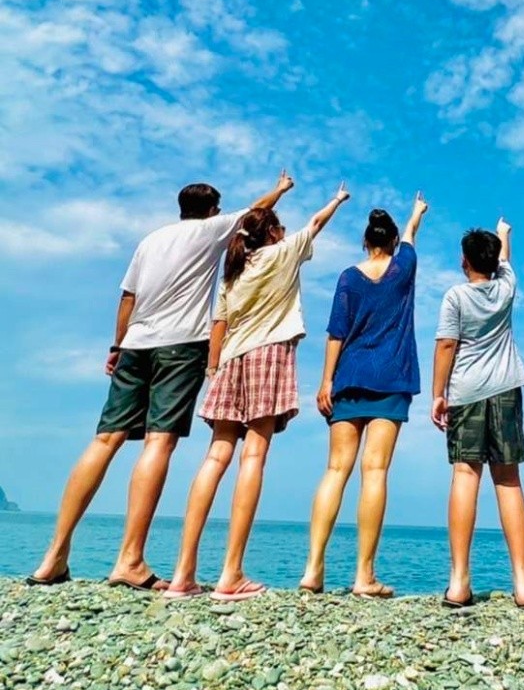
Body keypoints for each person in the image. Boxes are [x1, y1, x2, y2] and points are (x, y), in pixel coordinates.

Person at [28, 171, 294, 590]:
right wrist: (279, 189)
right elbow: (257, 209)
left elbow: (128, 298)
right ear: (213, 211)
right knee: (158, 442)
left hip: (135, 344)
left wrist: (118, 345)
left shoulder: (150, 240)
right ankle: (130, 560)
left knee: (105, 439)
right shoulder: (210, 231)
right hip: (180, 345)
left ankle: (54, 556)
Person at [166, 182, 351, 601]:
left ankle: (182, 574)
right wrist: (337, 200)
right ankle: (230, 573)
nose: (285, 232)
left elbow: (218, 325)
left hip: (228, 360)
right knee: (253, 456)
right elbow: (317, 223)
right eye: (279, 228)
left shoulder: (233, 271)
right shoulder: (283, 253)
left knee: (215, 457)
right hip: (268, 355)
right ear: (271, 232)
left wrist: (212, 368)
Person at [300, 192, 428, 598]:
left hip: (349, 376)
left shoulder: (348, 278)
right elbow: (411, 236)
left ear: (365, 241)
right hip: (391, 377)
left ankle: (312, 570)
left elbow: (335, 333)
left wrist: (326, 381)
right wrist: (416, 214)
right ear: (392, 241)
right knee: (374, 471)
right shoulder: (403, 268)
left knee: (336, 470)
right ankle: (364, 575)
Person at [431, 218, 524, 612]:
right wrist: (505, 235)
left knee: (465, 475)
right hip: (506, 388)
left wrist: (438, 394)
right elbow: (506, 261)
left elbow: (446, 345)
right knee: (508, 480)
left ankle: (459, 581)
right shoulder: (506, 288)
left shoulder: (455, 297)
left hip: (466, 391)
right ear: (495, 262)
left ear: (464, 261)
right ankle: (523, 584)